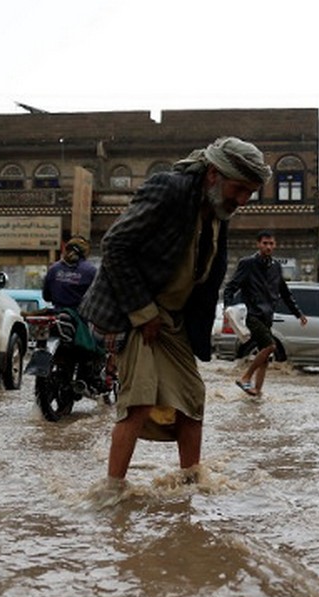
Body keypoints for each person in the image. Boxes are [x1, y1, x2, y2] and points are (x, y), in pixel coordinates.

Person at [79, 136, 272, 492]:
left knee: (192, 400)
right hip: (138, 312)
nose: (242, 200)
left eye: (250, 192)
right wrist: (143, 312)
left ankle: (190, 488)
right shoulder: (169, 189)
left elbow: (209, 269)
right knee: (139, 401)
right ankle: (110, 493)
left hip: (176, 319)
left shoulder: (219, 209)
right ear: (214, 174)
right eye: (239, 189)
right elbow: (115, 245)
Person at [223, 230, 307, 397]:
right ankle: (246, 377)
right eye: (265, 243)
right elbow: (231, 287)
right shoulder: (247, 263)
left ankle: (257, 391)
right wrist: (228, 307)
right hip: (252, 314)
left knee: (265, 355)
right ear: (258, 244)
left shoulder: (276, 266)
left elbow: (285, 292)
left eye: (271, 244)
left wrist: (298, 314)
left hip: (267, 315)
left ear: (274, 245)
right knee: (271, 346)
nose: (268, 247)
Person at [42, 235, 97, 309]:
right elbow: (95, 298)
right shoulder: (91, 271)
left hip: (58, 313)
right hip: (80, 316)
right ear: (84, 252)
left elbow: (46, 297)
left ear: (66, 250)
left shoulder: (53, 269)